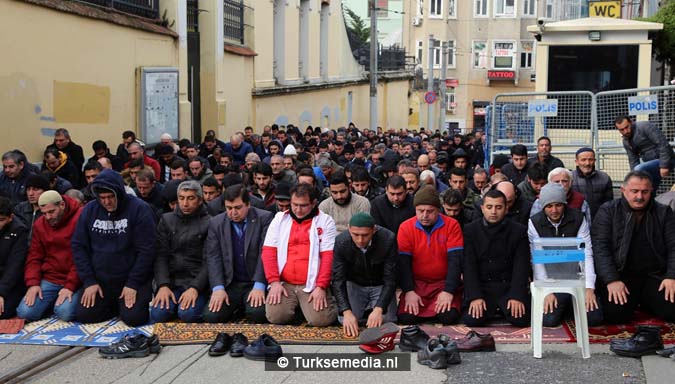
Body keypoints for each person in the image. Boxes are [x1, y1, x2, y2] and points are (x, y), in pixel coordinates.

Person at [71, 169, 156, 326]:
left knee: (134, 318)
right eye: (102, 198)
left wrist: (133, 283)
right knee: (85, 315)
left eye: (110, 197)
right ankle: (116, 306)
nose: (107, 202)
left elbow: (147, 250)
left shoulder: (139, 209)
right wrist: (89, 281)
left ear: (119, 193)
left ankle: (125, 306)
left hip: (131, 278)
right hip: (101, 280)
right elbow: (78, 246)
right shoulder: (90, 210)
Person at [592, 171, 675, 323]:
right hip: (621, 275)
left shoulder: (664, 212)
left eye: (645, 192)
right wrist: (611, 280)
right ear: (623, 191)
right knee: (615, 315)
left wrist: (671, 276)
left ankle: (646, 302)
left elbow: (673, 246)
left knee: (671, 311)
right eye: (634, 191)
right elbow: (600, 248)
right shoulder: (608, 211)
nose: (639, 197)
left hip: (655, 275)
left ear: (652, 191)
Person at [262, 183, 338, 326]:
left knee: (321, 320)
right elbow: (268, 252)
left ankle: (325, 301)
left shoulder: (325, 221)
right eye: (294, 204)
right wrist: (274, 282)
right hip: (285, 282)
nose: (298, 209)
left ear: (314, 203)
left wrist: (321, 286)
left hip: (311, 282)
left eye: (303, 205)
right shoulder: (279, 219)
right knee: (276, 317)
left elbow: (328, 257)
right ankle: (298, 307)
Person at [528, 183, 602, 327]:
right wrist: (546, 290)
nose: (554, 210)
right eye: (549, 206)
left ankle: (571, 304)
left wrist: (589, 288)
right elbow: (536, 259)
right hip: (552, 280)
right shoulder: (535, 223)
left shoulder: (578, 218)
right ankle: (566, 305)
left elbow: (586, 252)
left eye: (558, 205)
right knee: (548, 320)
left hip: (576, 276)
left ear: (564, 204)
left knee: (594, 318)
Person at [203, 184, 273, 323]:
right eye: (229, 208)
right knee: (211, 316)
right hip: (231, 283)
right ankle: (237, 307)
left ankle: (243, 306)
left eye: (237, 208)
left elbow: (265, 253)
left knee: (257, 314)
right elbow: (213, 257)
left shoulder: (264, 218)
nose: (233, 213)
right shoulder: (216, 223)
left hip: (253, 280)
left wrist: (259, 285)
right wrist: (218, 288)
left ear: (248, 204)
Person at [462, 190, 530, 327]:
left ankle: (503, 307)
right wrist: (475, 297)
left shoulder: (519, 231)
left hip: (508, 286)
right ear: (482, 208)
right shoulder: (470, 230)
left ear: (506, 209)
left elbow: (521, 266)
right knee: (472, 320)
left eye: (498, 207)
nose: (493, 212)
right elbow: (469, 266)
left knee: (520, 319)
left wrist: (516, 295)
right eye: (489, 207)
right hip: (483, 287)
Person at [397, 186, 463, 325]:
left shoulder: (452, 225)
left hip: (442, 283)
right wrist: (408, 291)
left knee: (449, 316)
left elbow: (455, 261)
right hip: (417, 285)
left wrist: (448, 291)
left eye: (430, 211)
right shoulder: (405, 227)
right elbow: (403, 263)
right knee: (407, 318)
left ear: (439, 210)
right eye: (420, 211)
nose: (425, 215)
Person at [150, 181, 211, 323]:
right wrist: (163, 285)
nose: (185, 203)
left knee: (187, 314)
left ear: (200, 200)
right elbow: (161, 256)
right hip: (172, 281)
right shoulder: (166, 219)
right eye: (181, 198)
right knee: (159, 315)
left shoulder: (210, 222)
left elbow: (210, 261)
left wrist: (195, 288)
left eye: (190, 198)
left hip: (196, 282)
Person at [17, 191, 82, 321]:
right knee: (25, 312)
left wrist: (70, 285)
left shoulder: (80, 218)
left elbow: (82, 256)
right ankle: (51, 303)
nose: (48, 217)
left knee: (64, 312)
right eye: (44, 213)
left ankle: (58, 303)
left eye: (51, 212)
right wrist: (33, 283)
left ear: (62, 205)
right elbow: (34, 257)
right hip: (51, 277)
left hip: (77, 278)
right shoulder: (40, 224)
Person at [331, 213, 399, 336]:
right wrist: (346, 311)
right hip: (355, 284)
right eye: (355, 235)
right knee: (344, 320)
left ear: (374, 230)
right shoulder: (341, 241)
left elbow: (391, 278)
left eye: (365, 235)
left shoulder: (388, 238)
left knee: (388, 320)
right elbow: (337, 279)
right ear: (349, 229)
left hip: (380, 284)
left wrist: (379, 308)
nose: (360, 240)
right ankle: (367, 312)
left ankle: (372, 310)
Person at [616, 115, 675, 191]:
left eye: (627, 127)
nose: (625, 131)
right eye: (622, 130)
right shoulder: (626, 142)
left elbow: (662, 144)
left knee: (639, 168)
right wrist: (634, 178)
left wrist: (664, 165)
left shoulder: (644, 126)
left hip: (666, 160)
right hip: (651, 164)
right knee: (648, 189)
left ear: (631, 122)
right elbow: (633, 161)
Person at [0, 197, 28, 319]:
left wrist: (1, 292)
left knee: (3, 311)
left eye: (1, 220)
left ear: (10, 217)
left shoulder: (19, 231)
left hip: (11, 282)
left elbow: (14, 266)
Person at [572, 147, 614, 218]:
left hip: (599, 219)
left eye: (590, 160)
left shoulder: (604, 178)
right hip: (576, 220)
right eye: (583, 160)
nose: (587, 163)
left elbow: (609, 203)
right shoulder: (569, 178)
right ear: (576, 162)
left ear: (594, 161)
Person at [13, 174, 49, 243]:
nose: (31, 193)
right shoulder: (20, 209)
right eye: (28, 189)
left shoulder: (50, 210)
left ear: (45, 191)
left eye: (35, 189)